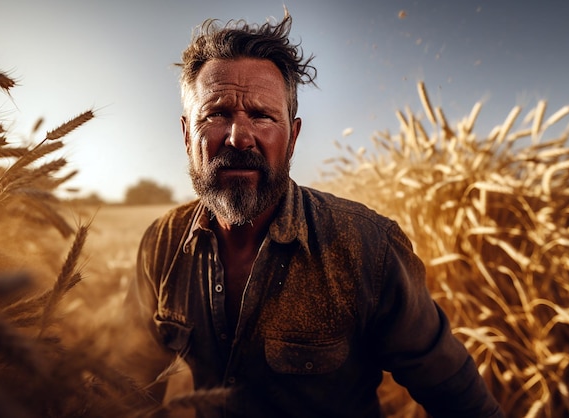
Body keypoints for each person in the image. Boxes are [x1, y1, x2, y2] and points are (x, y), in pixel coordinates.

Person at [124, 11, 504, 418]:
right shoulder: (161, 244)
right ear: (186, 135)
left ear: (293, 137)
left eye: (262, 115)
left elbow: (460, 400)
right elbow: (125, 385)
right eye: (216, 114)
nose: (239, 136)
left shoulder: (368, 249)